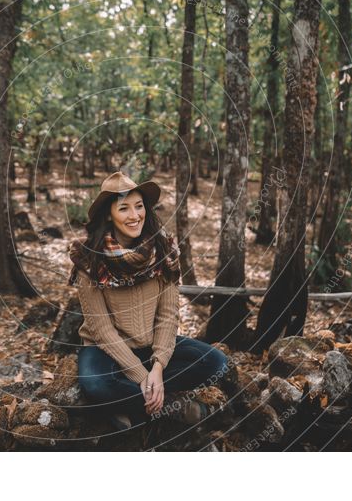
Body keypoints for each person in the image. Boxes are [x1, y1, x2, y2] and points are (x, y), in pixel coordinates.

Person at [68, 171, 230, 432]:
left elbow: (168, 316)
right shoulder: (89, 259)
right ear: (109, 214)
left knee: (216, 364)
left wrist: (157, 368)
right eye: (124, 208)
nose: (135, 216)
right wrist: (142, 376)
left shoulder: (164, 250)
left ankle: (127, 405)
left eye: (139, 206)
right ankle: (167, 406)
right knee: (96, 384)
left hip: (150, 344)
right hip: (105, 348)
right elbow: (101, 330)